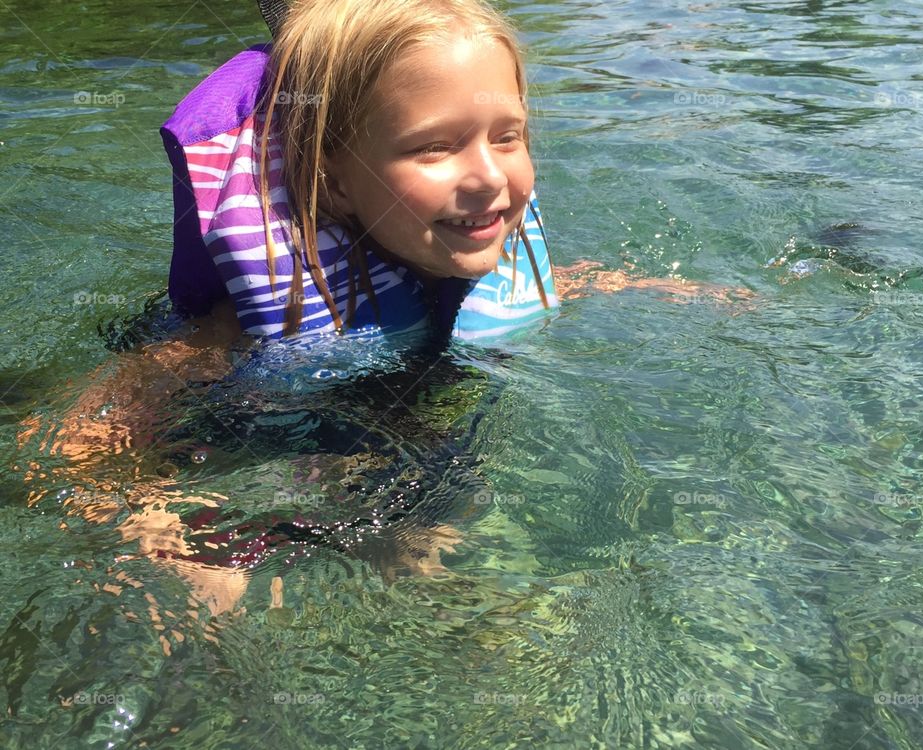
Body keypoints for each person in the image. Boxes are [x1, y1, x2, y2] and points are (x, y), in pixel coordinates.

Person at [19, 0, 748, 621]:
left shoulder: (480, 243)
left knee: (452, 546)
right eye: (433, 148)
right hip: (276, 464)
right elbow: (71, 441)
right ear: (332, 183)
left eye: (508, 135)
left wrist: (646, 286)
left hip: (412, 440)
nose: (489, 177)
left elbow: (554, 279)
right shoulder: (244, 325)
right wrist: (158, 527)